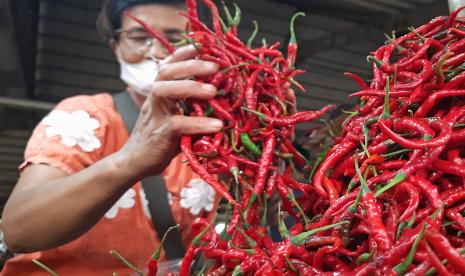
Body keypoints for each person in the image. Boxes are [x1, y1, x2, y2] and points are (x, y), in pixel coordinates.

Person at [1, 0, 225, 274]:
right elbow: (18, 230)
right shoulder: (86, 115)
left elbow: (266, 216)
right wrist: (128, 161)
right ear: (115, 47)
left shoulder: (214, 133)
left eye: (174, 38)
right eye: (139, 37)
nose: (155, 50)